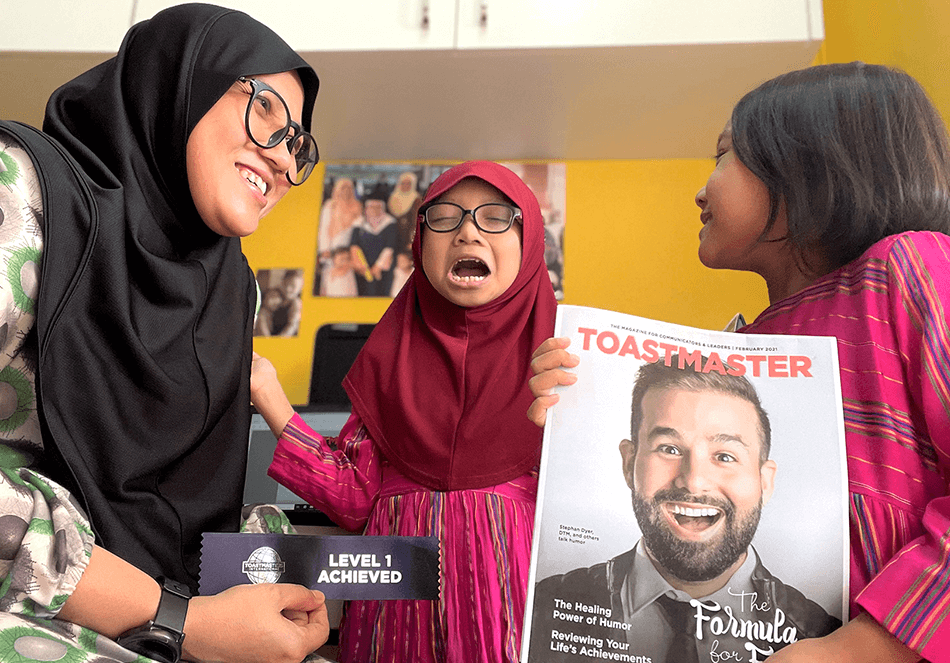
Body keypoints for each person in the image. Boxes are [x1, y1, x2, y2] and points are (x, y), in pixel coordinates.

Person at [529, 62, 950, 663]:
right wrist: (572, 419)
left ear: (807, 165)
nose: (701, 190)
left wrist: (867, 647)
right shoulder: (739, 349)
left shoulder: (909, 272)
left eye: (724, 156)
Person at [0, 4, 330, 662]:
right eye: (264, 109)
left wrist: (276, 578)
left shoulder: (232, 292)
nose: (280, 157)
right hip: (2, 606)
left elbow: (171, 512)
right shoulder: (12, 184)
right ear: (180, 81)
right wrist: (178, 616)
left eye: (298, 145)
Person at [251, 161, 558, 662]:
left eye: (496, 217)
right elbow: (351, 498)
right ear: (420, 240)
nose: (466, 231)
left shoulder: (564, 368)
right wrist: (268, 393)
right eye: (445, 216)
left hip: (512, 612)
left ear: (531, 245)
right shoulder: (388, 364)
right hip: (393, 621)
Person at [529, 358, 840, 662]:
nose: (693, 482)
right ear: (629, 464)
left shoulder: (825, 637)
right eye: (670, 449)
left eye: (725, 456)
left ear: (765, 481)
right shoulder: (541, 605)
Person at [349, 186, 398, 296]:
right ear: (366, 209)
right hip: (362, 268)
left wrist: (377, 267)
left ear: (383, 208)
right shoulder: (358, 224)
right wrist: (362, 267)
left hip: (383, 269)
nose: (374, 210)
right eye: (371, 207)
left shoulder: (390, 223)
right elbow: (354, 245)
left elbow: (389, 247)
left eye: (378, 207)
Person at [388, 170, 423, 253]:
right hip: (392, 238)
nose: (405, 186)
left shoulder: (417, 200)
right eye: (403, 183)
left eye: (409, 183)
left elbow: (417, 222)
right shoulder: (392, 198)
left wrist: (413, 241)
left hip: (407, 239)